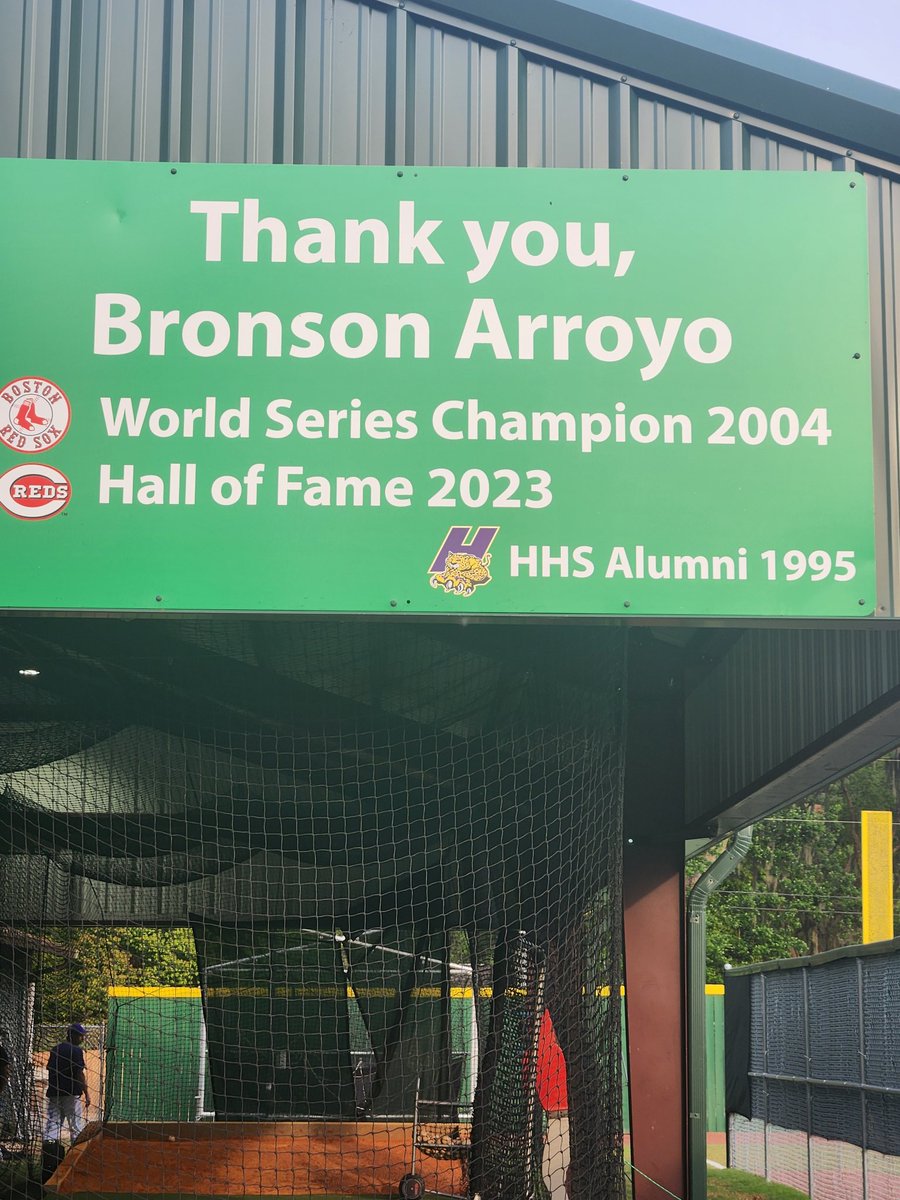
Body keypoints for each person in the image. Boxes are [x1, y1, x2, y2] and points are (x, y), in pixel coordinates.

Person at [535, 1010, 569, 1200]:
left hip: (562, 1121)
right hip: (559, 1120)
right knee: (554, 1178)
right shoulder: (554, 1052)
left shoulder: (542, 1052)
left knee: (552, 1178)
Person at [45, 1023, 91, 1143]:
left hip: (55, 1092)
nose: (82, 1039)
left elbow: (50, 1070)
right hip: (71, 1093)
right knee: (75, 1126)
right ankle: (75, 1154)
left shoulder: (56, 1049)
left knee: (53, 1126)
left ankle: (50, 1155)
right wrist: (86, 1093)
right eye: (81, 1036)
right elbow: (79, 1074)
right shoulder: (76, 1050)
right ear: (73, 1035)